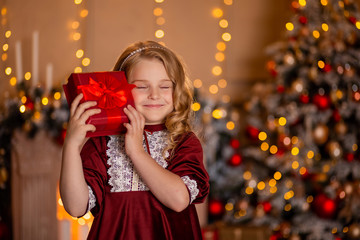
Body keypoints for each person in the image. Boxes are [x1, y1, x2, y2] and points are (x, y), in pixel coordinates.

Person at [60, 40, 209, 240]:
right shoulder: (103, 143)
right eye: (141, 87)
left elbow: (179, 200)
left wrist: (136, 152)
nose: (154, 95)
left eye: (164, 86)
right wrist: (71, 146)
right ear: (120, 89)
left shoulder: (183, 141)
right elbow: (76, 207)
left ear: (177, 91)